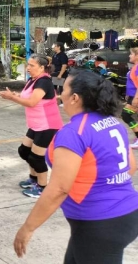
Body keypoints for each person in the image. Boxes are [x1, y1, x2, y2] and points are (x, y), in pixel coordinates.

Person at [13, 72, 138, 263]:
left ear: (74, 98)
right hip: (127, 213)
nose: (60, 93)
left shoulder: (73, 133)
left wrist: (27, 228)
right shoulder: (113, 123)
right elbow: (131, 166)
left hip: (99, 224)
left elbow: (59, 189)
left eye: (64, 88)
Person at [0, 55, 63, 198]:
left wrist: (12, 98)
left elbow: (32, 102)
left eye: (32, 65)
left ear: (41, 68)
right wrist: (14, 94)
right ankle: (33, 179)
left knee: (36, 158)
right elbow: (26, 96)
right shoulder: (33, 80)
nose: (28, 67)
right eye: (28, 64)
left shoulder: (44, 81)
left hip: (48, 125)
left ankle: (42, 187)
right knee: (24, 151)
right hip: (36, 124)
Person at [122, 47, 138, 149]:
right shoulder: (135, 67)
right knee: (126, 115)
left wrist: (136, 98)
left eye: (131, 54)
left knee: (126, 115)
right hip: (132, 96)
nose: (129, 55)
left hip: (135, 96)